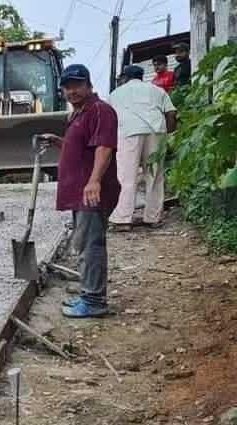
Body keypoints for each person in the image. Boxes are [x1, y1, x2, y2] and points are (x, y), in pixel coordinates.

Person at [39, 64, 120, 319]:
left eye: (76, 85)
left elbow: (104, 147)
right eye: (67, 86)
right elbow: (80, 148)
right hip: (80, 191)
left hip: (91, 191)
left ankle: (94, 300)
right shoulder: (77, 114)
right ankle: (88, 293)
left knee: (91, 244)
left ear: (88, 85)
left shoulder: (100, 110)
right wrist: (58, 142)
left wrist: (94, 180)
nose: (71, 91)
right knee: (83, 242)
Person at [107, 65, 176, 231]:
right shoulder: (157, 91)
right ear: (142, 75)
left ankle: (123, 219)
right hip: (156, 131)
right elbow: (171, 113)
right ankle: (153, 217)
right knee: (154, 175)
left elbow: (109, 117)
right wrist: (169, 133)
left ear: (124, 77)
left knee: (126, 176)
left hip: (129, 132)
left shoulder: (116, 93)